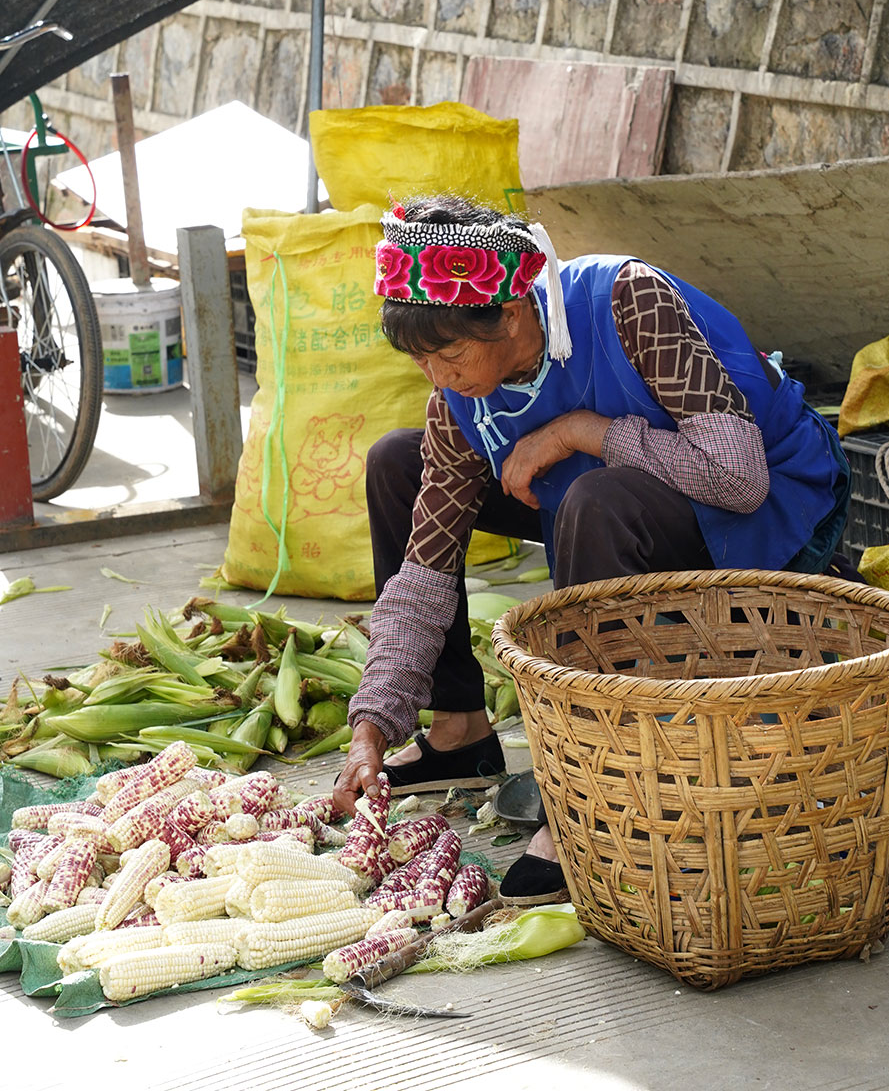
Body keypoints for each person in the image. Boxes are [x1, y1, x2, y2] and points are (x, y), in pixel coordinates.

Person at [331, 193, 850, 900]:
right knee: (400, 460)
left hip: (762, 500)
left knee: (595, 499)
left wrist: (581, 430)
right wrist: (372, 720)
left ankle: (595, 799)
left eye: (450, 353)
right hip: (599, 502)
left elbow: (739, 478)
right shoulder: (455, 394)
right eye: (423, 361)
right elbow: (423, 572)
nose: (440, 377)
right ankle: (459, 729)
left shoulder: (628, 301)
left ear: (511, 314)